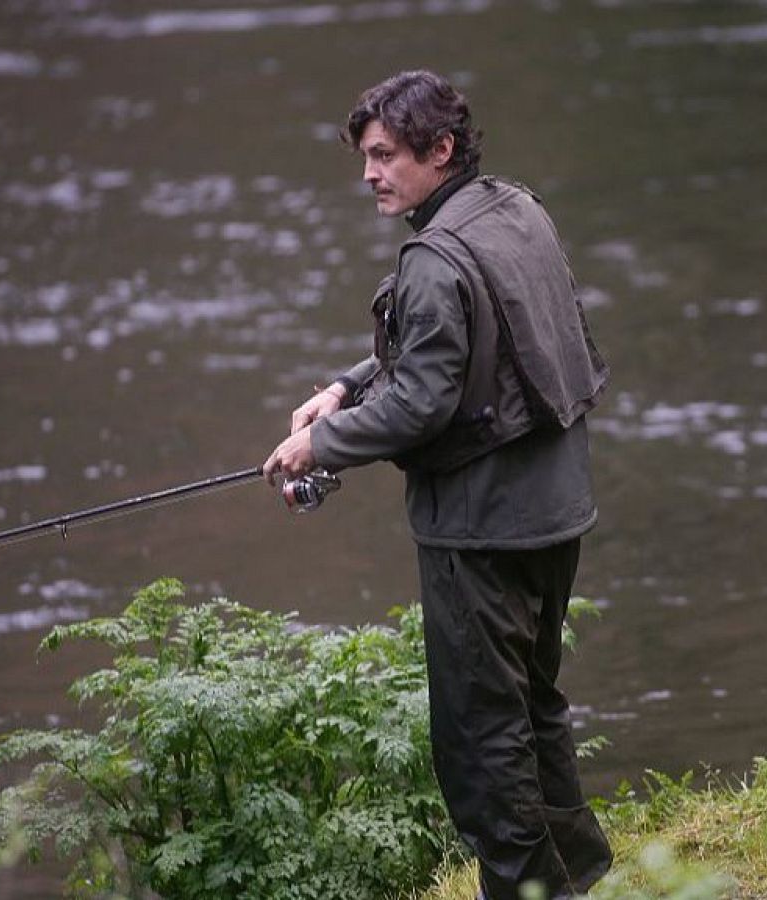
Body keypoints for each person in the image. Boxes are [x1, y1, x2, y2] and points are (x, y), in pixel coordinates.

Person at [262, 70, 613, 900]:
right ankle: (583, 879)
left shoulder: (430, 257)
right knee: (535, 707)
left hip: (481, 536)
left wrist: (320, 444)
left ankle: (533, 892)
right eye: (366, 156)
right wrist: (346, 386)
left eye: (385, 155)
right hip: (557, 512)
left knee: (482, 743)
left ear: (440, 150)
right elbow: (457, 335)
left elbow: (422, 399)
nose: (370, 173)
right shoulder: (514, 210)